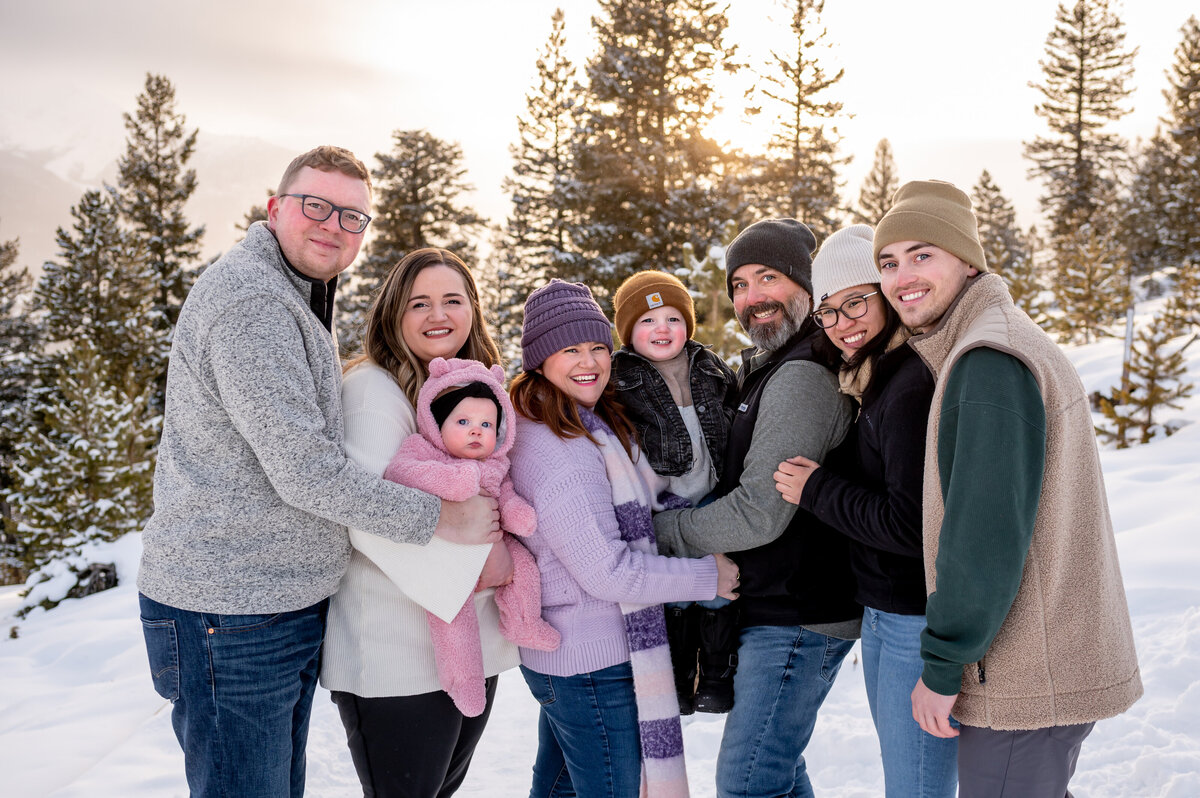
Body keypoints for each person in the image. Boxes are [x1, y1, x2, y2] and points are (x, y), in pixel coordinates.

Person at [137, 147, 500, 798]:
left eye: (352, 216)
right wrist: (445, 517)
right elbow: (305, 471)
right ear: (274, 209)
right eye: (316, 206)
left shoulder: (290, 295)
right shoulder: (253, 303)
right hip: (230, 610)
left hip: (270, 606)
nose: (333, 225)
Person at [872, 180, 1143, 797]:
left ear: (968, 261)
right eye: (889, 262)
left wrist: (942, 664)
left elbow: (983, 535)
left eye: (923, 254)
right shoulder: (993, 338)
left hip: (1026, 673)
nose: (902, 276)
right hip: (1038, 661)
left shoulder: (988, 360)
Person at [507, 279, 741, 797]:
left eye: (596, 346)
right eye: (570, 350)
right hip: (592, 661)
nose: (589, 360)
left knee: (560, 790)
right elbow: (606, 570)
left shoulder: (584, 422)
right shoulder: (557, 445)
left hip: (578, 655)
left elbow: (647, 491)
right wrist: (708, 576)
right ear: (540, 359)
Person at [652, 219, 859, 798]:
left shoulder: (799, 378)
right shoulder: (769, 370)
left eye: (768, 277)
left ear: (808, 286)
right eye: (739, 284)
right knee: (777, 772)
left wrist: (658, 532)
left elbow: (758, 513)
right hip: (780, 608)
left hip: (801, 615)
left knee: (747, 780)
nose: (751, 298)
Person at [320, 248, 516, 797]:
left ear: (472, 310)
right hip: (395, 656)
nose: (438, 315)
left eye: (453, 300)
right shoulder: (373, 392)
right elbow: (369, 517)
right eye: (419, 303)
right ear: (393, 315)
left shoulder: (474, 390)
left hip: (467, 646)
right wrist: (488, 560)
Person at [772, 224, 957, 797]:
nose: (842, 322)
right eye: (828, 311)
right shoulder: (874, 379)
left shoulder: (906, 389)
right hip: (884, 611)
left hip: (912, 616)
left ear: (886, 295)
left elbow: (912, 525)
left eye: (856, 302)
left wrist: (818, 490)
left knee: (915, 784)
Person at [380, 356, 559, 718]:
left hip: (491, 543)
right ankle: (462, 678)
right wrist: (455, 481)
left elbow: (504, 495)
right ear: (437, 423)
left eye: (486, 424)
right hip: (444, 554)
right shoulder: (423, 449)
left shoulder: (496, 464)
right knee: (450, 611)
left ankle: (522, 622)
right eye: (463, 422)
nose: (476, 431)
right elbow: (400, 473)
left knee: (524, 568)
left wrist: (517, 515)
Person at [611, 269, 738, 714]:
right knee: (679, 593)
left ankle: (718, 678)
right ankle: (680, 677)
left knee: (721, 591)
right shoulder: (619, 375)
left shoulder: (711, 366)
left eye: (672, 318)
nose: (662, 329)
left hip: (711, 495)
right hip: (661, 503)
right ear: (628, 333)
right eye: (647, 321)